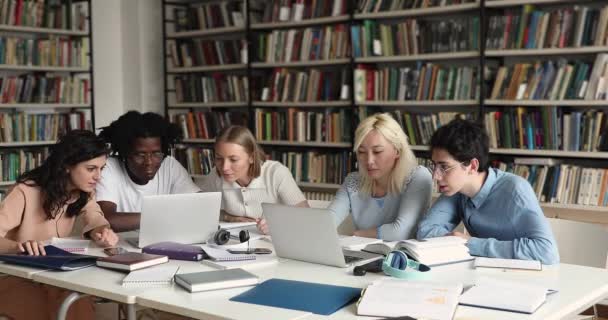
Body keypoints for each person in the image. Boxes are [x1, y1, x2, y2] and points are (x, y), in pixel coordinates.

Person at [0, 130, 119, 319]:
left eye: (101, 169)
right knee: (62, 299)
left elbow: (95, 216)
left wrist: (102, 232)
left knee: (76, 295)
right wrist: (18, 247)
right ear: (66, 166)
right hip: (17, 277)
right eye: (91, 169)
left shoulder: (83, 192)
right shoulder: (25, 191)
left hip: (55, 276)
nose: (98, 176)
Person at [416, 119, 560, 264]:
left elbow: (546, 252)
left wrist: (470, 244)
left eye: (444, 167)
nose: (435, 176)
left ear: (472, 166)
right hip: (483, 274)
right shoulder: (456, 190)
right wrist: (456, 240)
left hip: (524, 279)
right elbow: (426, 231)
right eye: (434, 165)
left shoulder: (515, 190)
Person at [328, 113, 433, 241]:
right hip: (363, 257)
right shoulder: (353, 181)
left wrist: (358, 234)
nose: (369, 161)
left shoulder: (418, 177)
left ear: (397, 150)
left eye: (377, 151)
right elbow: (327, 222)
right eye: (361, 152)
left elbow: (400, 233)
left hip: (403, 258)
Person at [96, 111, 200, 232]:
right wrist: (163, 218)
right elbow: (106, 219)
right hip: (118, 245)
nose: (149, 162)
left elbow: (199, 206)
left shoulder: (169, 165)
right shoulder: (108, 167)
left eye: (156, 153)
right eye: (140, 154)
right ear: (125, 153)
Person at [200, 125, 308, 234]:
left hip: (276, 243)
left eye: (233, 159)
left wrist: (278, 224)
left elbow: (306, 216)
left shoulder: (276, 173)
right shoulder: (215, 175)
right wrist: (230, 218)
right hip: (235, 245)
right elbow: (202, 211)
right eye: (219, 158)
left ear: (251, 157)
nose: (224, 167)